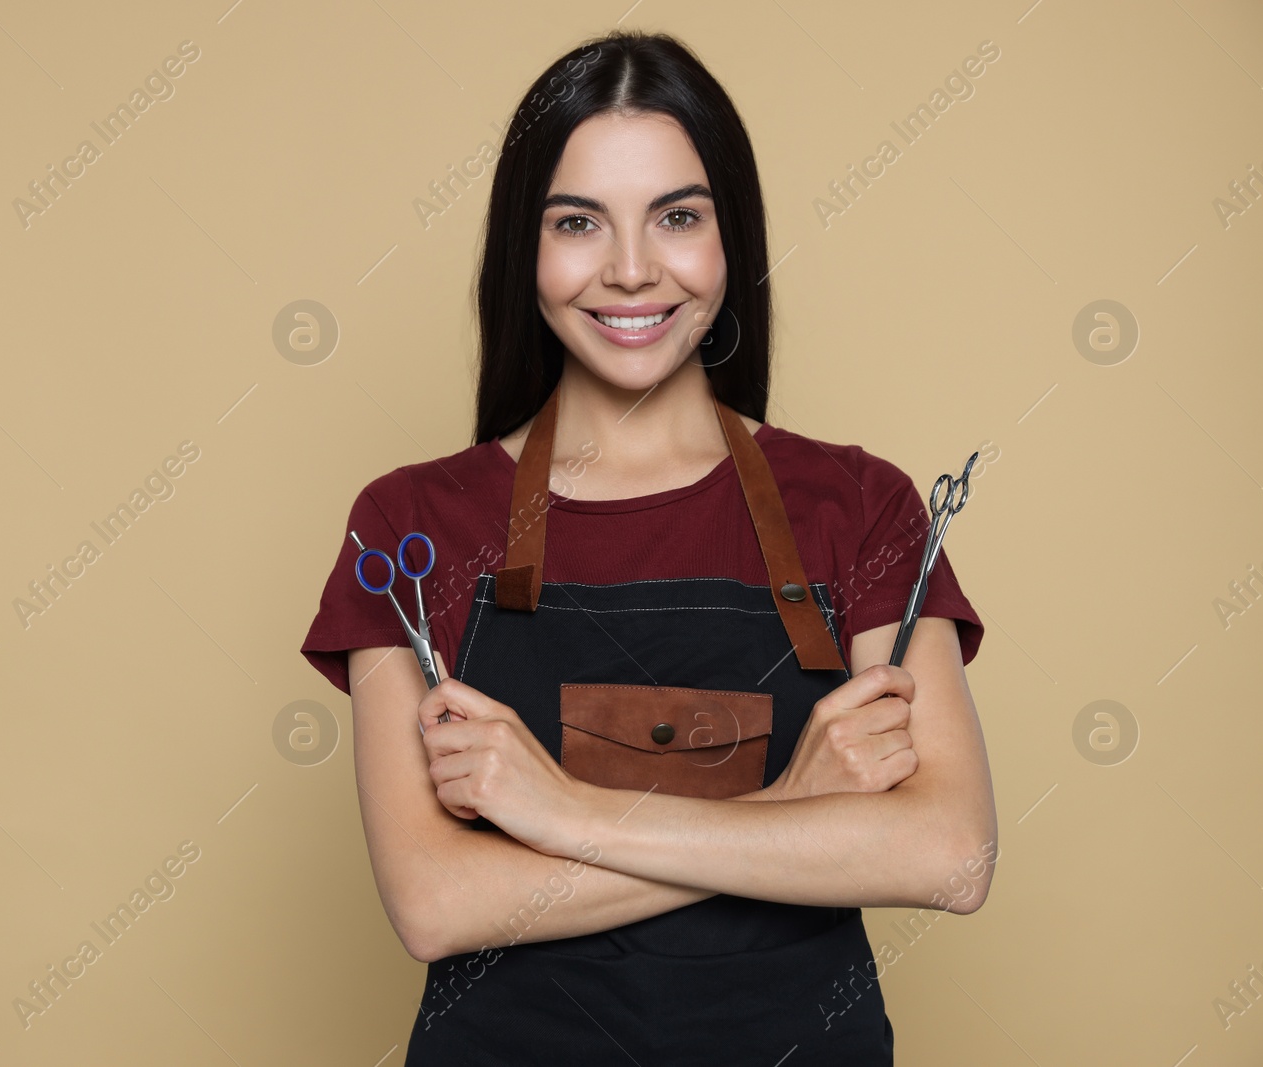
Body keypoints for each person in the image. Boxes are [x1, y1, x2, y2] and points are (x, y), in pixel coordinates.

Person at [300, 29, 996, 1066]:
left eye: (677, 217)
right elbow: (437, 903)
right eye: (577, 222)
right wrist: (793, 810)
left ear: (730, 242)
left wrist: (559, 810)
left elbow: (948, 854)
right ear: (522, 251)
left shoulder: (859, 504)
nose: (631, 271)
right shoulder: (415, 523)